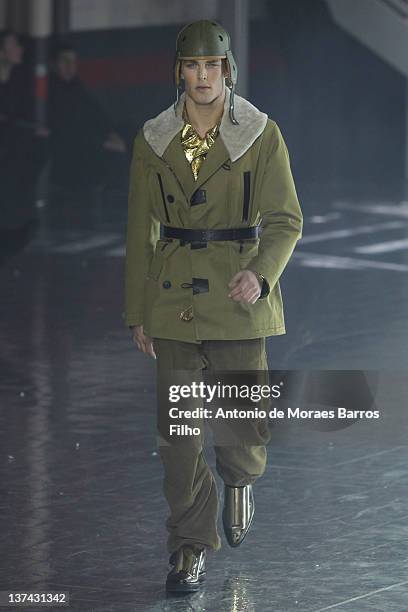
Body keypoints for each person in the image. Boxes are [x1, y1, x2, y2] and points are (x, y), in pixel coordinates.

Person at [124, 20, 303, 593]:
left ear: (228, 71)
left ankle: (242, 480)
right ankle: (189, 549)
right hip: (174, 299)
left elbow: (285, 220)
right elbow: (139, 232)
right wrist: (138, 310)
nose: (203, 77)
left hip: (237, 293)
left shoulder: (259, 133)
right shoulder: (153, 139)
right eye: (192, 66)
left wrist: (262, 273)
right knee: (178, 437)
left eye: (213, 66)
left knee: (243, 424)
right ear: (178, 71)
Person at [47, 42, 127, 191]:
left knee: (131, 133)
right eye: (65, 61)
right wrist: (103, 143)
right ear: (54, 64)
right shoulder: (52, 90)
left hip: (89, 138)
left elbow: (95, 111)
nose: (70, 66)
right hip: (72, 146)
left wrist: (111, 133)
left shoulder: (75, 85)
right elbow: (69, 129)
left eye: (73, 61)